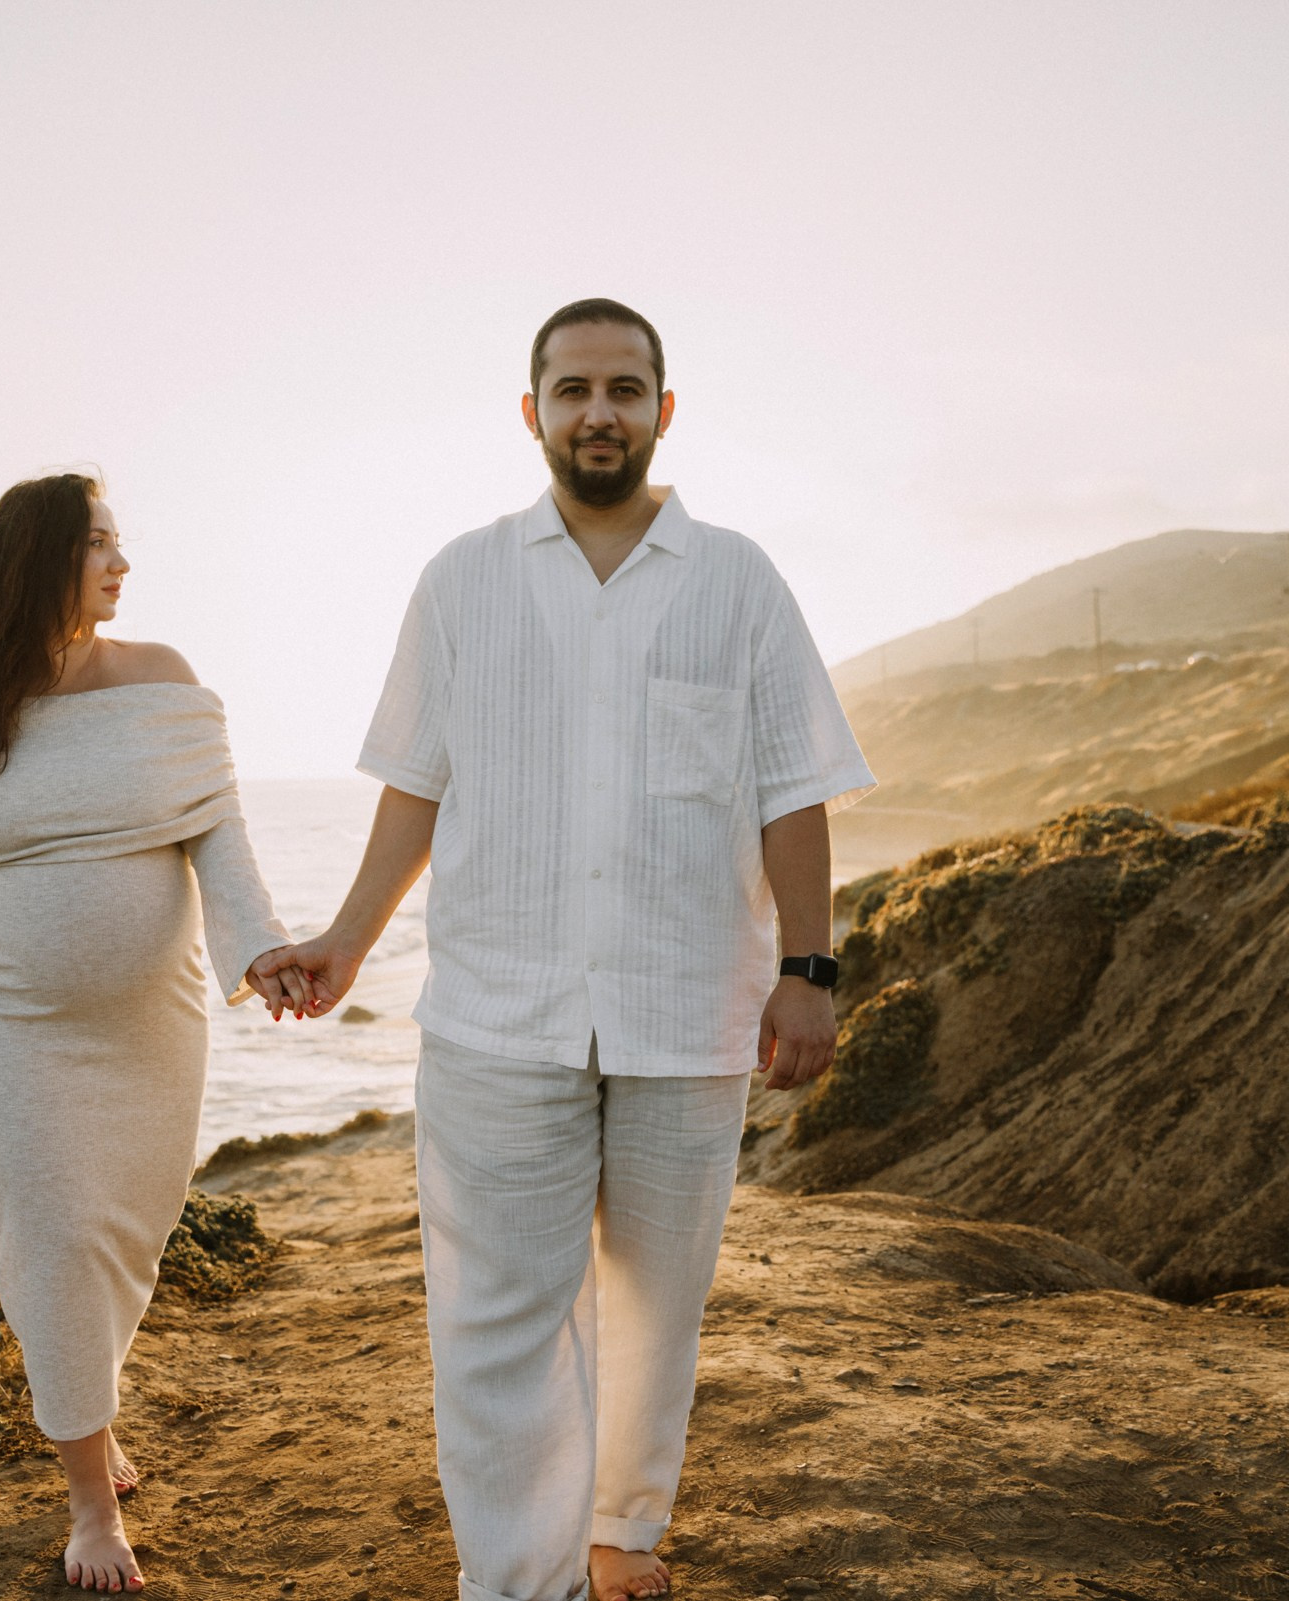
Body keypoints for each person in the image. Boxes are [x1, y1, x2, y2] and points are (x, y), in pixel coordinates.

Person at [257, 299, 874, 1601]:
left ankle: (624, 1533)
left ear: (663, 409)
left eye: (627, 387)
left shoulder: (739, 582)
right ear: (532, 411)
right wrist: (350, 940)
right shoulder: (462, 579)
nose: (602, 410)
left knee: (656, 1305)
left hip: (687, 1011)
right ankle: (517, 1584)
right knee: (495, 1329)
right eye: (575, 387)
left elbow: (792, 790)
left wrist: (808, 972)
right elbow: (416, 786)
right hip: (495, 1017)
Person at [0, 472, 311, 1594]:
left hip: (153, 1025)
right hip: (11, 1029)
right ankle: (87, 1496)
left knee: (128, 1232)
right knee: (56, 1245)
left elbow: (218, 834)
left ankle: (88, 1407)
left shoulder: (163, 682)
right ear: (36, 562)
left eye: (122, 542)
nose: (121, 563)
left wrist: (260, 947)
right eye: (96, 545)